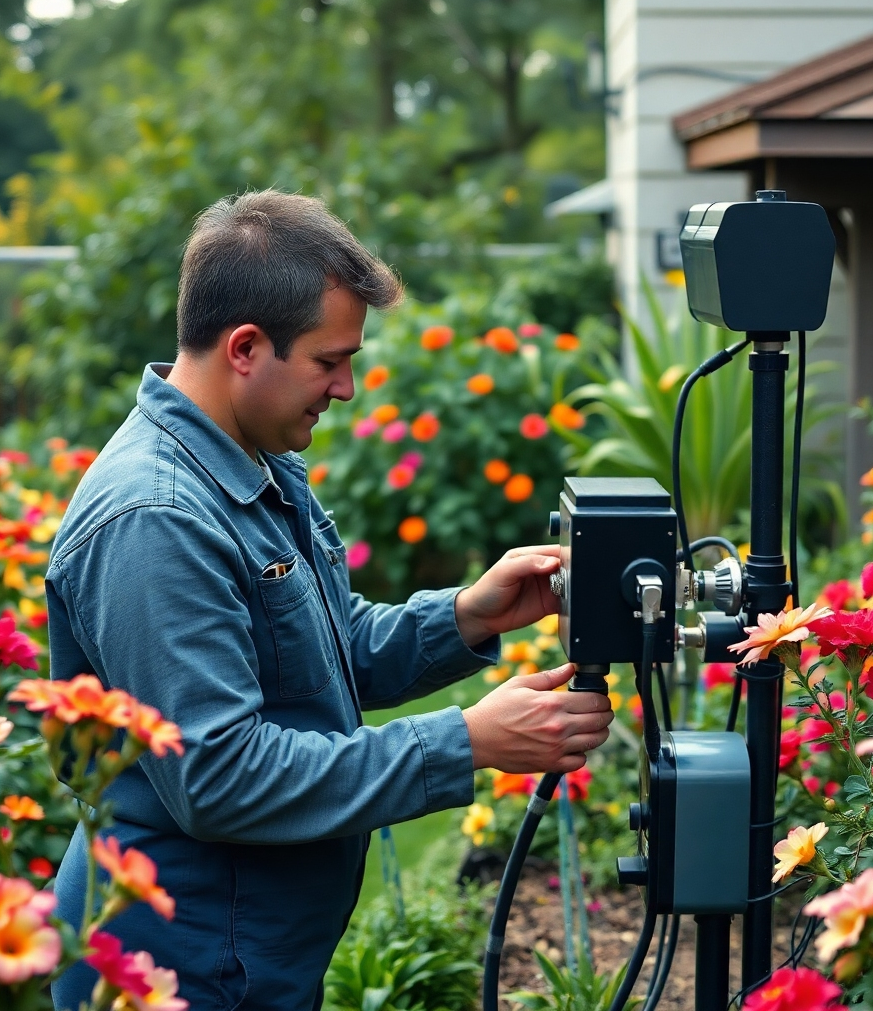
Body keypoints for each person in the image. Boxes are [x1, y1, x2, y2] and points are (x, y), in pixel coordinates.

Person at [46, 190, 614, 1011]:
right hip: (180, 965)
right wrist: (463, 743)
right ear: (245, 347)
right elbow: (219, 774)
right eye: (328, 360)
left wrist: (468, 616)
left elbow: (316, 652)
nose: (346, 387)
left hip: (245, 954)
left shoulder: (249, 460)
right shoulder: (157, 520)